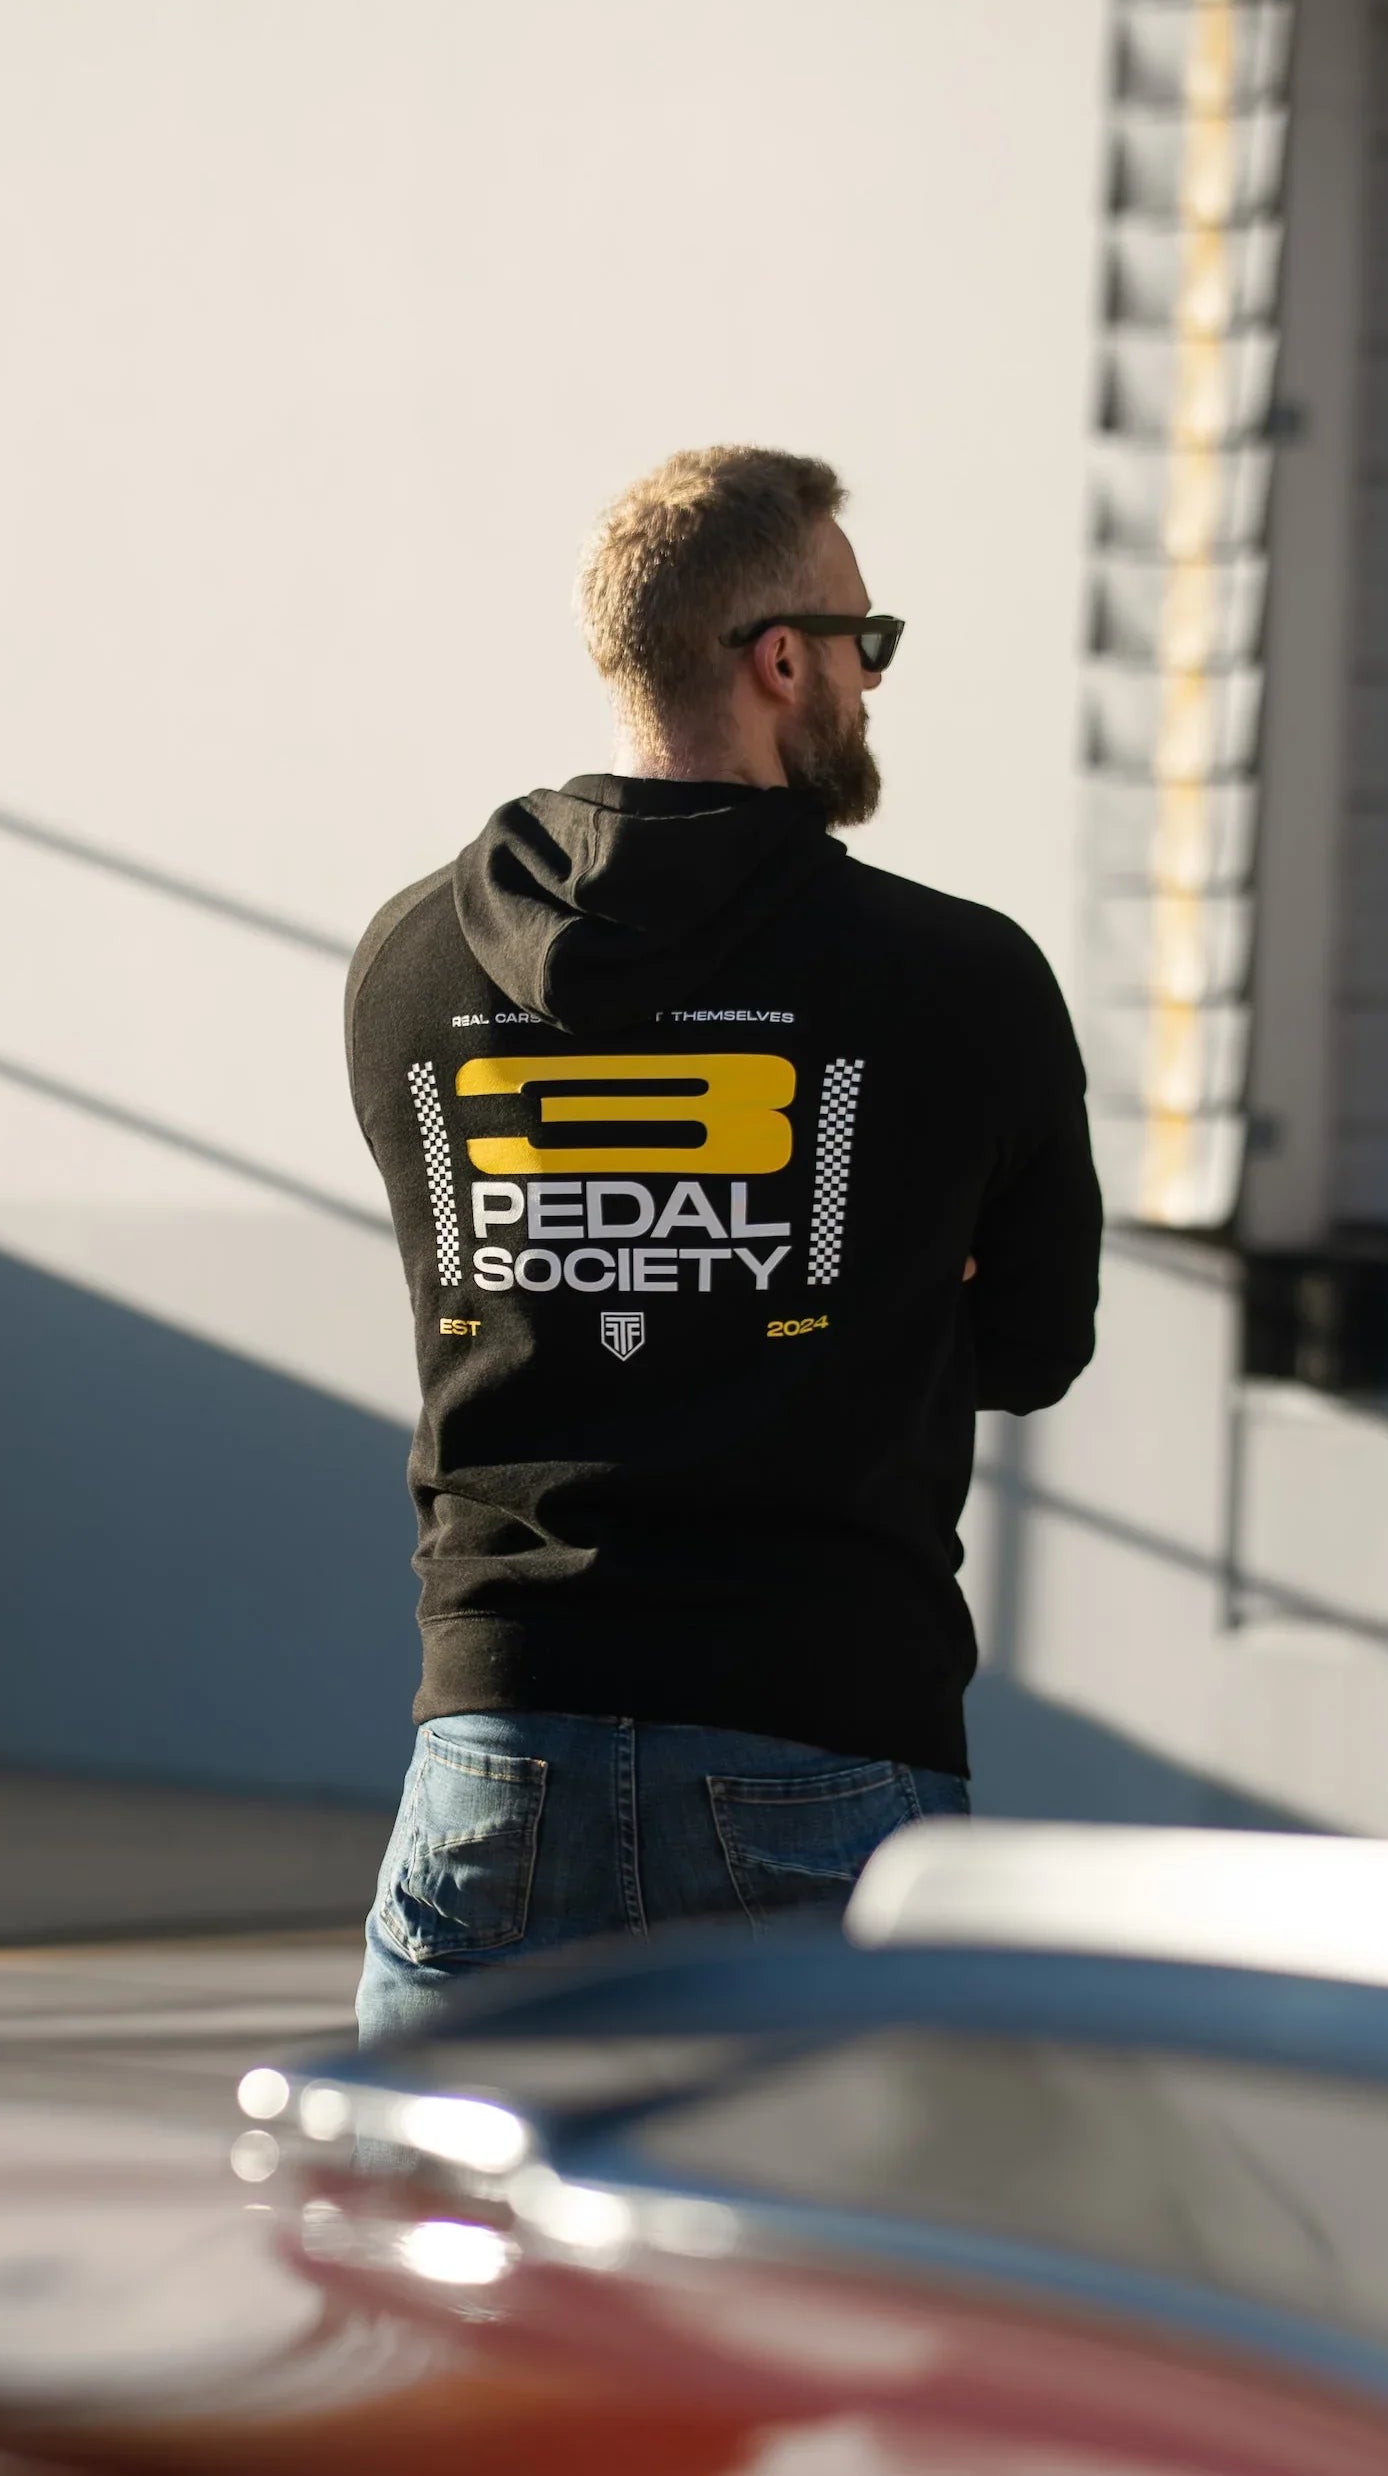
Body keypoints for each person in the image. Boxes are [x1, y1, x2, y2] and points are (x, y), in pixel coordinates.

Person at [343, 445, 1100, 2040]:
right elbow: (1031, 1345)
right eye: (863, 643)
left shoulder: (409, 960)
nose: (871, 683)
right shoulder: (959, 982)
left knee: (439, 2277)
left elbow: (485, 1300)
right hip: (822, 1748)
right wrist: (876, 1293)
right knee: (816, 2282)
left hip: (496, 1748)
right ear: (780, 662)